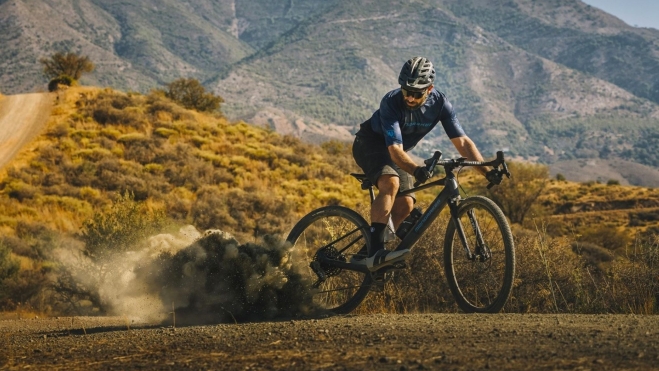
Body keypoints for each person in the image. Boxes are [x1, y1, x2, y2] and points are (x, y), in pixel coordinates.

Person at [351, 56, 491, 272]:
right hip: (370, 144)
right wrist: (416, 169)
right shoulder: (391, 101)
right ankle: (375, 253)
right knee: (390, 183)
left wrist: (487, 171)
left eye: (417, 93)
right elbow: (394, 150)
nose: (410, 98)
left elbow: (462, 141)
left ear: (430, 88)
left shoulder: (441, 104)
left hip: (397, 152)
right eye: (406, 91)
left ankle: (367, 254)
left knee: (406, 204)